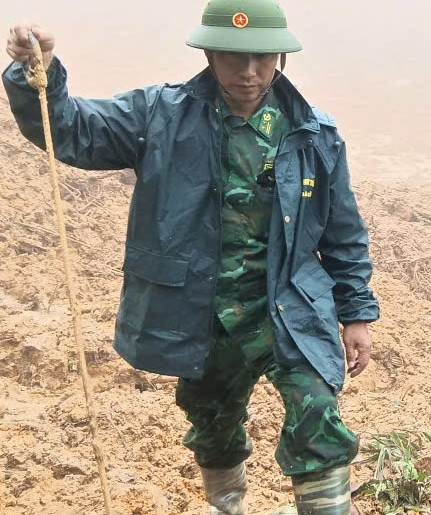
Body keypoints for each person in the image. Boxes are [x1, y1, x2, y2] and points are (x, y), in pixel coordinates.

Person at [4, 1, 378, 513]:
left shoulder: (314, 134)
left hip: (287, 307)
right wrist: (38, 73)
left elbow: (343, 233)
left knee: (317, 411)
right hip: (200, 310)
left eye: (263, 58)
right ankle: (227, 505)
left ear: (281, 58)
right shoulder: (160, 115)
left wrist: (356, 313)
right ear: (209, 55)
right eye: (234, 57)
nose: (249, 72)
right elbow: (73, 129)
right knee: (212, 423)